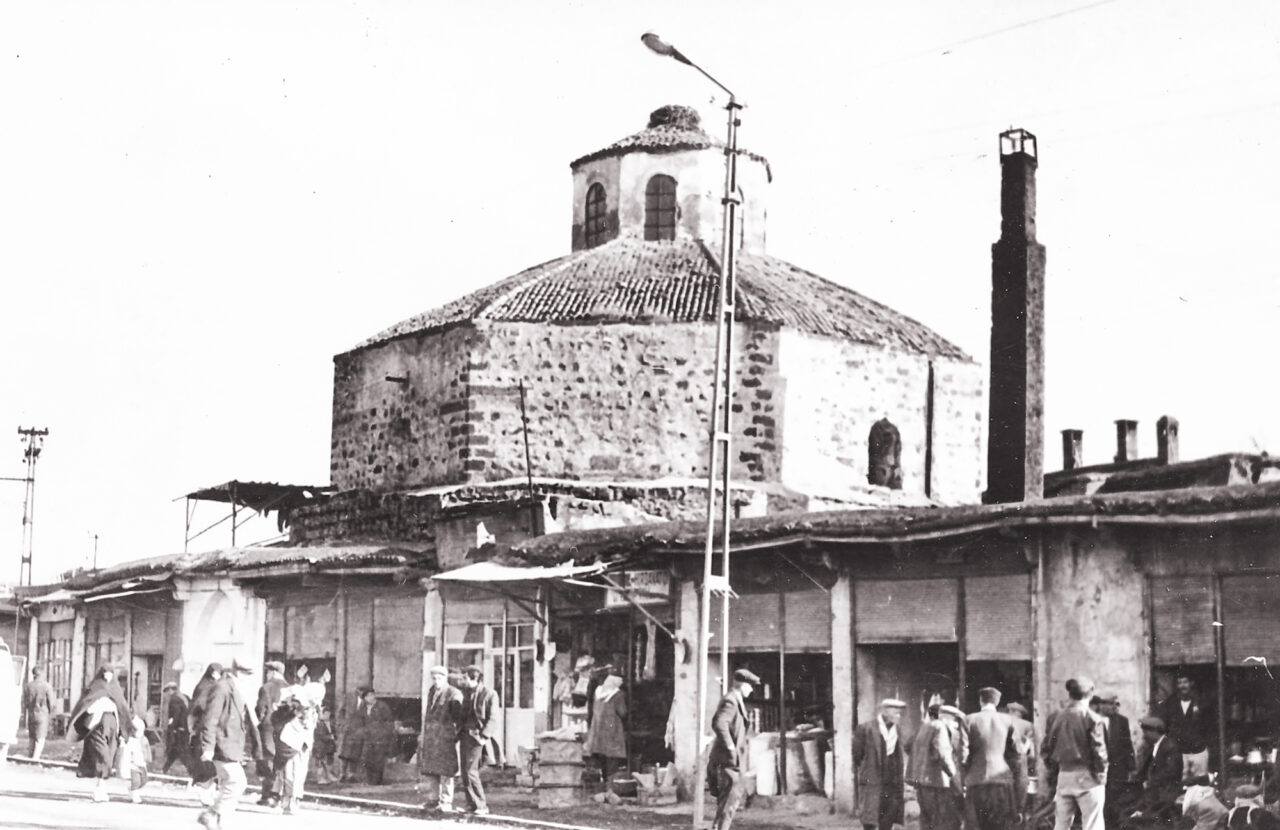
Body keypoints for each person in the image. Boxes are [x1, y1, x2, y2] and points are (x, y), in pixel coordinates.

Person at [196, 658, 259, 830]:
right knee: (237, 783)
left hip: (231, 744)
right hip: (222, 745)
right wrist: (207, 747)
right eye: (248, 674)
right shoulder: (222, 687)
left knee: (227, 784)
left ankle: (222, 823)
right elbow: (210, 719)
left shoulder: (236, 689)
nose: (250, 678)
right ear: (238, 672)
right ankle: (211, 814)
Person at [1041, 677, 1108, 830]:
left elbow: (1046, 748)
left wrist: (1054, 771)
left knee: (1061, 825)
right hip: (1088, 776)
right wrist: (1101, 776)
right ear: (1091, 694)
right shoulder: (1093, 718)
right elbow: (1099, 751)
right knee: (1093, 824)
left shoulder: (1055, 717)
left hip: (1064, 775)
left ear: (1069, 693)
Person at [69, 664, 133, 802]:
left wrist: (123, 732)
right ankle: (99, 789)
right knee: (102, 757)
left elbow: (123, 711)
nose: (107, 676)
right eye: (105, 673)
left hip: (112, 729)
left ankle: (101, 787)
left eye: (110, 673)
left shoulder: (116, 690)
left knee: (108, 757)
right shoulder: (95, 687)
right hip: (96, 728)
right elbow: (85, 704)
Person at [965, 687, 1026, 830]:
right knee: (1000, 825)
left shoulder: (969, 719)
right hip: (1002, 781)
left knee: (976, 826)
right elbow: (1017, 756)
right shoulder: (1009, 720)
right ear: (997, 702)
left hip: (976, 781)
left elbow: (962, 755)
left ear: (981, 701)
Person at [707, 668, 760, 830]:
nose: (751, 690)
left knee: (726, 805)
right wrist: (730, 747)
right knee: (728, 805)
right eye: (750, 686)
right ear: (742, 685)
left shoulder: (735, 700)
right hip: (728, 761)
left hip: (730, 761)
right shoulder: (731, 700)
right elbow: (719, 723)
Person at [853, 698, 909, 830]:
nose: (899, 716)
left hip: (892, 782)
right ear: (885, 712)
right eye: (896, 713)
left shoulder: (897, 731)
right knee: (870, 819)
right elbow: (857, 755)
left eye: (900, 713)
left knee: (888, 817)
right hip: (873, 781)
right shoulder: (866, 728)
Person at [274, 676, 325, 815]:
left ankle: (293, 800)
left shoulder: (313, 708)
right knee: (290, 773)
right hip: (292, 743)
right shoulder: (296, 706)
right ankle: (288, 802)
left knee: (299, 774)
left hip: (303, 744)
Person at [908, 702, 962, 830]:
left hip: (923, 782)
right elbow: (943, 755)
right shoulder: (940, 728)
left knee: (927, 822)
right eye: (953, 720)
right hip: (938, 783)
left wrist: (922, 761)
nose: (954, 724)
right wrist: (954, 776)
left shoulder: (925, 726)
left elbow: (908, 746)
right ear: (946, 717)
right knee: (942, 821)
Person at [420, 665, 463, 812]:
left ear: (445, 679)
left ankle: (446, 801)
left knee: (446, 772)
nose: (436, 681)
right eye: (434, 678)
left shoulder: (453, 693)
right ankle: (433, 799)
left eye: (439, 678)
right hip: (432, 738)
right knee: (431, 770)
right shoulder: (432, 692)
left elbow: (459, 718)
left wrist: (453, 735)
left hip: (445, 739)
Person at [1156, 671, 1213, 781]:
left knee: (1199, 785)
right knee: (1180, 783)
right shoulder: (1170, 703)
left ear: (1191, 683)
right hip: (1179, 753)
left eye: (1185, 682)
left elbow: (1209, 725)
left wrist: (1206, 745)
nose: (1182, 686)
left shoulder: (1202, 702)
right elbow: (1164, 726)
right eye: (1180, 683)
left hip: (1198, 751)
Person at [458, 666, 498, 817]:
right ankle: (471, 805)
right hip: (465, 737)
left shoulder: (489, 694)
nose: (462, 681)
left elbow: (493, 718)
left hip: (477, 737)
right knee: (464, 771)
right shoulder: (466, 694)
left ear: (473, 678)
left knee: (470, 771)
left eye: (464, 678)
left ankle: (482, 805)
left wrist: (483, 737)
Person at [1128, 716, 1182, 828]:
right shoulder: (1155, 746)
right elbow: (1145, 770)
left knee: (1152, 821)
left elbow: (1171, 772)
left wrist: (1150, 782)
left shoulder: (1170, 747)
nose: (1144, 735)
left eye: (1146, 731)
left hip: (1165, 793)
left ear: (1155, 731)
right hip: (1155, 792)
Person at [1099, 693, 1136, 829]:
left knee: (1115, 802)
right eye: (1111, 704)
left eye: (1116, 704)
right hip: (1099, 770)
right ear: (1102, 705)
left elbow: (1128, 745)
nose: (1115, 707)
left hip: (1117, 769)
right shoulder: (1093, 720)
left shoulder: (1122, 721)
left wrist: (1132, 767)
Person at [188, 663, 223, 805]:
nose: (216, 675)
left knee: (212, 764)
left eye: (219, 673)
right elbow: (197, 707)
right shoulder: (204, 687)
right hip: (203, 729)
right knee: (205, 763)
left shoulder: (218, 688)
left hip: (214, 730)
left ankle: (208, 792)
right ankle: (203, 791)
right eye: (214, 673)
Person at [583, 672, 628, 784]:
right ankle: (610, 785)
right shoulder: (618, 694)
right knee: (612, 755)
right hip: (611, 723)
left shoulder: (598, 691)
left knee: (601, 754)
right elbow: (622, 712)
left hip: (597, 725)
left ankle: (602, 782)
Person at [255, 660, 287, 807]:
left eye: (267, 672)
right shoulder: (290, 687)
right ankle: (279, 795)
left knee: (268, 759)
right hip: (286, 729)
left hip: (270, 728)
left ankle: (267, 795)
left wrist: (262, 720)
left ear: (272, 672)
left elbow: (261, 709)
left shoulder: (266, 687)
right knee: (283, 761)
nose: (267, 675)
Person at [359, 688, 396, 785]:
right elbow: (361, 721)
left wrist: (385, 734)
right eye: (367, 696)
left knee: (378, 760)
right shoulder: (363, 708)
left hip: (380, 738)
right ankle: (369, 780)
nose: (370, 698)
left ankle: (376, 782)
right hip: (368, 737)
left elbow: (389, 722)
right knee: (367, 758)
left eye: (371, 695)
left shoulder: (382, 706)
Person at [1004, 701, 1037, 811]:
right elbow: (1031, 750)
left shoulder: (1003, 721)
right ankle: (1019, 811)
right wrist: (1030, 763)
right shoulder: (1027, 725)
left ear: (1010, 711)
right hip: (1020, 758)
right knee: (1020, 786)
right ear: (1020, 713)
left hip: (1003, 758)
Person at [338, 686, 370, 782]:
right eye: (360, 691)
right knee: (345, 754)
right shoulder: (349, 699)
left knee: (355, 753)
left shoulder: (366, 703)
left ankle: (352, 774)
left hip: (359, 731)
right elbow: (340, 711)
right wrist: (342, 724)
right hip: (348, 730)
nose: (361, 694)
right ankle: (342, 774)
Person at [22, 666, 54, 760]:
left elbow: (25, 703)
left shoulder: (27, 686)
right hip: (43, 715)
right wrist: (51, 716)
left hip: (31, 714)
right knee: (40, 739)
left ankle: (29, 757)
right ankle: (35, 759)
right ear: (42, 674)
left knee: (32, 737)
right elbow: (51, 704)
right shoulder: (47, 686)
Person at [161, 680, 190, 774]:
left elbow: (175, 715)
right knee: (176, 751)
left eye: (167, 691)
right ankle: (165, 768)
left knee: (181, 752)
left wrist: (172, 727)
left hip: (178, 729)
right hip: (185, 728)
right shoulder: (184, 697)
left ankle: (192, 770)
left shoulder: (174, 699)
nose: (167, 694)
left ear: (170, 690)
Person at [124, 714, 151, 803]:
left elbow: (147, 749)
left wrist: (148, 758)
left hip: (142, 763)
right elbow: (126, 752)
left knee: (144, 780)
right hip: (133, 764)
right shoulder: (130, 741)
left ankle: (132, 789)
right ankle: (135, 795)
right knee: (136, 781)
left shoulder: (144, 739)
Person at [311, 703, 337, 784]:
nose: (327, 715)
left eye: (328, 714)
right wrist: (330, 737)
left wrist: (334, 737)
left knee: (328, 763)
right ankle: (320, 778)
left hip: (328, 746)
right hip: (320, 746)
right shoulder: (318, 724)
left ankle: (329, 776)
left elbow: (334, 732)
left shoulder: (330, 723)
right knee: (320, 763)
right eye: (325, 713)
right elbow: (321, 735)